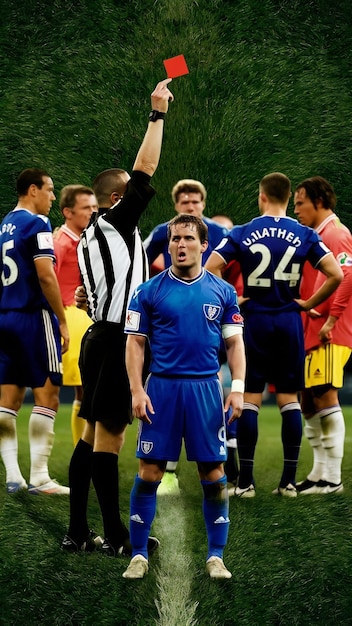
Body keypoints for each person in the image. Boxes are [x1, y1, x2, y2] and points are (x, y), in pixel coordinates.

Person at [61, 77, 174, 555]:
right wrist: (157, 113)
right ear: (115, 200)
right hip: (113, 338)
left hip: (97, 336)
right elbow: (146, 167)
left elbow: (93, 288)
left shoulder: (92, 236)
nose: (137, 197)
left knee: (89, 436)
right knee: (108, 439)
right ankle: (118, 537)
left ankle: (78, 532)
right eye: (128, 194)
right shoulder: (114, 222)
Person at [122, 213, 246, 580]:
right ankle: (139, 553)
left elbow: (235, 343)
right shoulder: (148, 290)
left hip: (207, 389)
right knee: (150, 470)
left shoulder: (223, 291)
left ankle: (216, 556)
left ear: (203, 245)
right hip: (161, 388)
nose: (179, 245)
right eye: (174, 239)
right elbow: (135, 343)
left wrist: (237, 389)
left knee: (213, 471)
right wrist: (136, 389)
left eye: (188, 238)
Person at [205, 172, 343, 497]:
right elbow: (335, 274)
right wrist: (309, 302)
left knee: (251, 398)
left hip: (254, 320)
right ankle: (288, 483)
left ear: (261, 196)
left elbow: (211, 267)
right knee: (289, 400)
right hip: (289, 321)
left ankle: (247, 483)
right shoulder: (305, 233)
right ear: (288, 195)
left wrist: (232, 298)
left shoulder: (243, 231)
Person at [144, 182, 229, 494]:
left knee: (212, 385)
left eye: (194, 202)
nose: (189, 206)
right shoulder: (162, 231)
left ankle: (222, 464)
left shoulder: (219, 233)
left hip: (208, 319)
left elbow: (239, 261)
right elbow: (138, 256)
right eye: (184, 202)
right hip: (169, 320)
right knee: (169, 389)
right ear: (176, 205)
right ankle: (168, 471)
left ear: (203, 204)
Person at [0, 168, 70, 495]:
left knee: (8, 399)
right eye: (50, 190)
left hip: (5, 315)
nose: (53, 197)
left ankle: (13, 475)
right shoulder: (37, 224)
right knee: (48, 395)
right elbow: (46, 276)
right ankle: (40, 477)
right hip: (32, 316)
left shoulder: (4, 225)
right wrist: (63, 319)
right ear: (33, 190)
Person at [293, 176, 352, 494]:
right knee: (309, 400)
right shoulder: (317, 235)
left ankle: (333, 478)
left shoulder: (336, 233)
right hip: (311, 331)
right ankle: (319, 474)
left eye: (300, 203)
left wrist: (332, 319)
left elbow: (347, 275)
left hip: (330, 331)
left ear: (318, 201)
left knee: (325, 395)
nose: (297, 210)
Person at [54, 185, 97, 446]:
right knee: (84, 390)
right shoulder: (60, 243)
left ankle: (85, 451)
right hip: (72, 318)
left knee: (87, 390)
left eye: (94, 207)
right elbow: (46, 280)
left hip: (84, 317)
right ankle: (83, 452)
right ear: (68, 212)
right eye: (86, 208)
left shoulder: (83, 240)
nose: (93, 212)